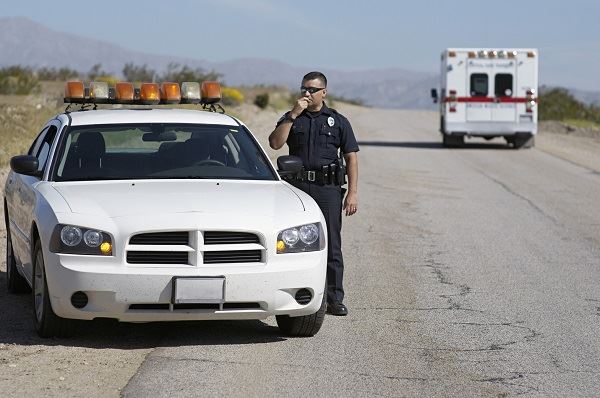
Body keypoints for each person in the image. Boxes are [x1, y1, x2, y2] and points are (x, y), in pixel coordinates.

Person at [269, 71, 359, 316]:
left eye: (311, 89)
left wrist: (352, 193)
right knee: (289, 242)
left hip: (327, 189)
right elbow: (275, 144)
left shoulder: (338, 121)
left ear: (324, 92)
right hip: (296, 188)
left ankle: (334, 298)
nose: (306, 93)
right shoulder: (291, 118)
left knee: (331, 244)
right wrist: (293, 115)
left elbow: (351, 157)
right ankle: (289, 295)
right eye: (303, 89)